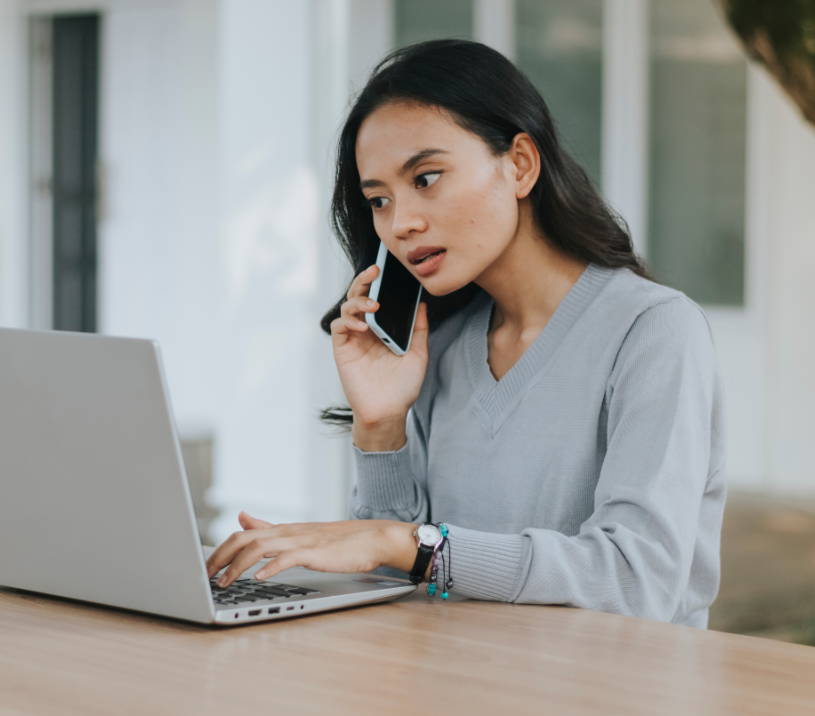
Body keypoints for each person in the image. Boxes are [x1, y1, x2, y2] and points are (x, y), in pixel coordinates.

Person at [205, 39, 725, 627]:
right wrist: (380, 426)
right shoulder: (442, 346)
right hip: (459, 681)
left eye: (426, 178)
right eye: (379, 200)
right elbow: (392, 579)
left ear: (520, 164)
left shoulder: (653, 332)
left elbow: (636, 581)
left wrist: (409, 544)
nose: (402, 223)